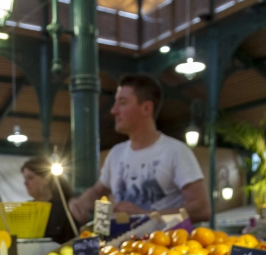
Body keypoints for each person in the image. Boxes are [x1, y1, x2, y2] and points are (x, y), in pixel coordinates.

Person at [69, 74, 211, 225]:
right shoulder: (116, 153)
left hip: (165, 245)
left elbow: (202, 210)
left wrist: (145, 215)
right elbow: (98, 191)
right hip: (122, 246)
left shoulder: (176, 151)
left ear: (146, 108)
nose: (113, 110)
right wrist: (81, 202)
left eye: (122, 103)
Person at [21, 157, 76, 244]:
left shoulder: (64, 208)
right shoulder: (26, 208)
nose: (25, 183)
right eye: (24, 178)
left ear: (46, 179)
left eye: (30, 178)